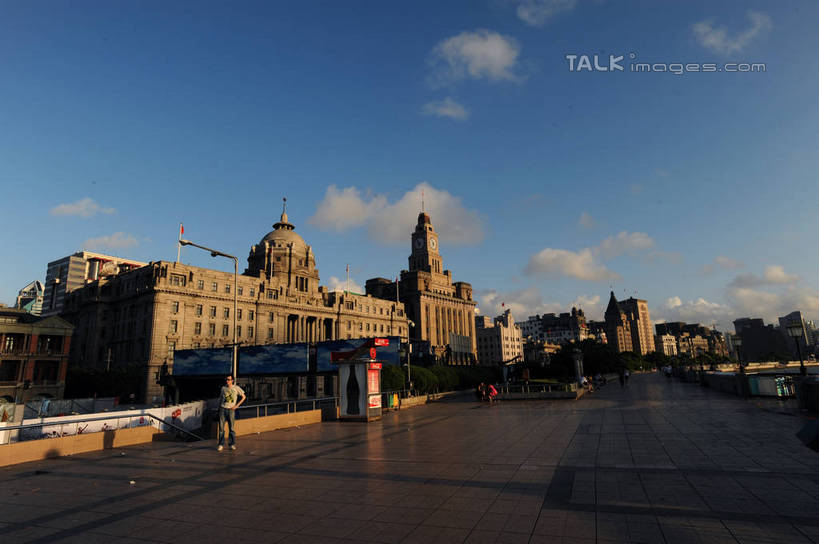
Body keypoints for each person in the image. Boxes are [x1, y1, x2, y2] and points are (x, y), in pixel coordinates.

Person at [217, 375, 246, 452]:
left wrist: (237, 406)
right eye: (226, 379)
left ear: (232, 380)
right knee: (221, 429)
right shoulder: (223, 388)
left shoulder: (236, 388)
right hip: (223, 409)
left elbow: (244, 397)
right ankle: (221, 444)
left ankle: (231, 444)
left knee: (232, 429)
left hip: (231, 410)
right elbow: (220, 399)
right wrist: (219, 408)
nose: (227, 381)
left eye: (229, 379)